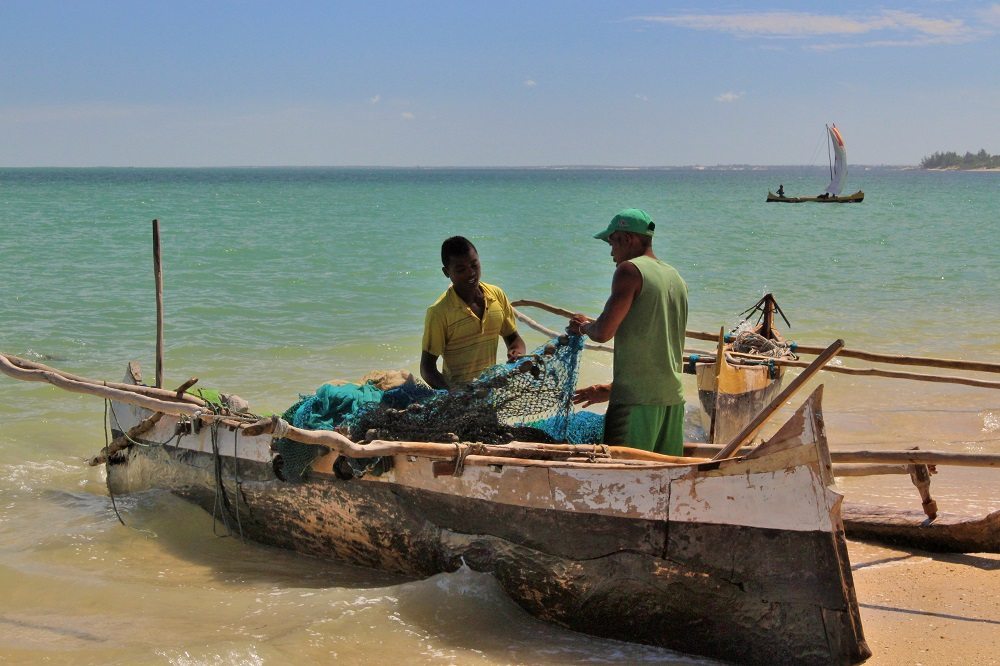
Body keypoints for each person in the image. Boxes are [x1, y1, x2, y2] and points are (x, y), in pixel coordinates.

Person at [567, 208, 688, 455]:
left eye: (612, 242)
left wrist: (582, 326)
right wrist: (609, 390)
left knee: (623, 481)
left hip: (635, 404)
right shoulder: (675, 276)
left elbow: (602, 332)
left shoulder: (629, 270)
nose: (611, 252)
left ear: (628, 238)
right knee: (662, 480)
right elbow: (655, 343)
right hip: (672, 402)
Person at [421, 236, 526, 390]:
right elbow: (427, 369)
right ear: (446, 272)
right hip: (458, 403)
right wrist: (454, 394)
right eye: (461, 269)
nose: (471, 273)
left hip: (489, 395)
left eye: (474, 265)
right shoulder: (439, 312)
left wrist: (516, 352)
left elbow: (514, 339)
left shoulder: (496, 295)